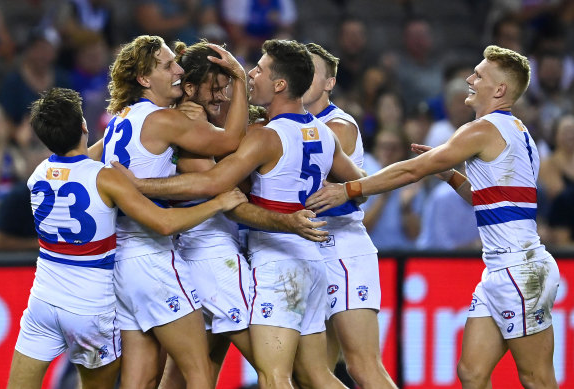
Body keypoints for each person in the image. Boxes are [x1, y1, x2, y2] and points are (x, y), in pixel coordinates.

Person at [306, 45, 561, 389]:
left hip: (520, 269)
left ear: (499, 90)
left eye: (480, 75)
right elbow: (487, 198)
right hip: (505, 268)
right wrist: (450, 174)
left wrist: (349, 189)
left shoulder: (481, 129)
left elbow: (412, 170)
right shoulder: (518, 131)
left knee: (537, 378)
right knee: (471, 372)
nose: (470, 79)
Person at [115, 39, 362, 389]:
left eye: (254, 71)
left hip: (241, 256)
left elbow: (216, 181)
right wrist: (349, 191)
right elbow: (361, 185)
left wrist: (135, 184)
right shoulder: (320, 132)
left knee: (271, 373)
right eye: (218, 88)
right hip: (233, 255)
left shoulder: (251, 134)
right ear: (188, 88)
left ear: (280, 84)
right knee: (301, 372)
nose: (242, 80)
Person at [6, 87, 247, 389]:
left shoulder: (37, 174)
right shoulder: (105, 178)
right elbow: (163, 222)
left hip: (42, 301)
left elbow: (84, 155)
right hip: (90, 308)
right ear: (83, 125)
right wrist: (217, 203)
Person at [100, 35, 248, 388]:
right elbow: (231, 142)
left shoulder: (121, 118)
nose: (178, 70)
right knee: (198, 373)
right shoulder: (164, 120)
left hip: (120, 261)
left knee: (142, 378)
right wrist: (239, 79)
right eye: (168, 66)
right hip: (153, 257)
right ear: (144, 80)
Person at [301, 42, 397, 389]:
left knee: (362, 366)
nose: (303, 76)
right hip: (307, 249)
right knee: (312, 373)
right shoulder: (287, 123)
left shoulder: (337, 126)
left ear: (329, 82)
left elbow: (306, 191)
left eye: (312, 71)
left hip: (341, 248)